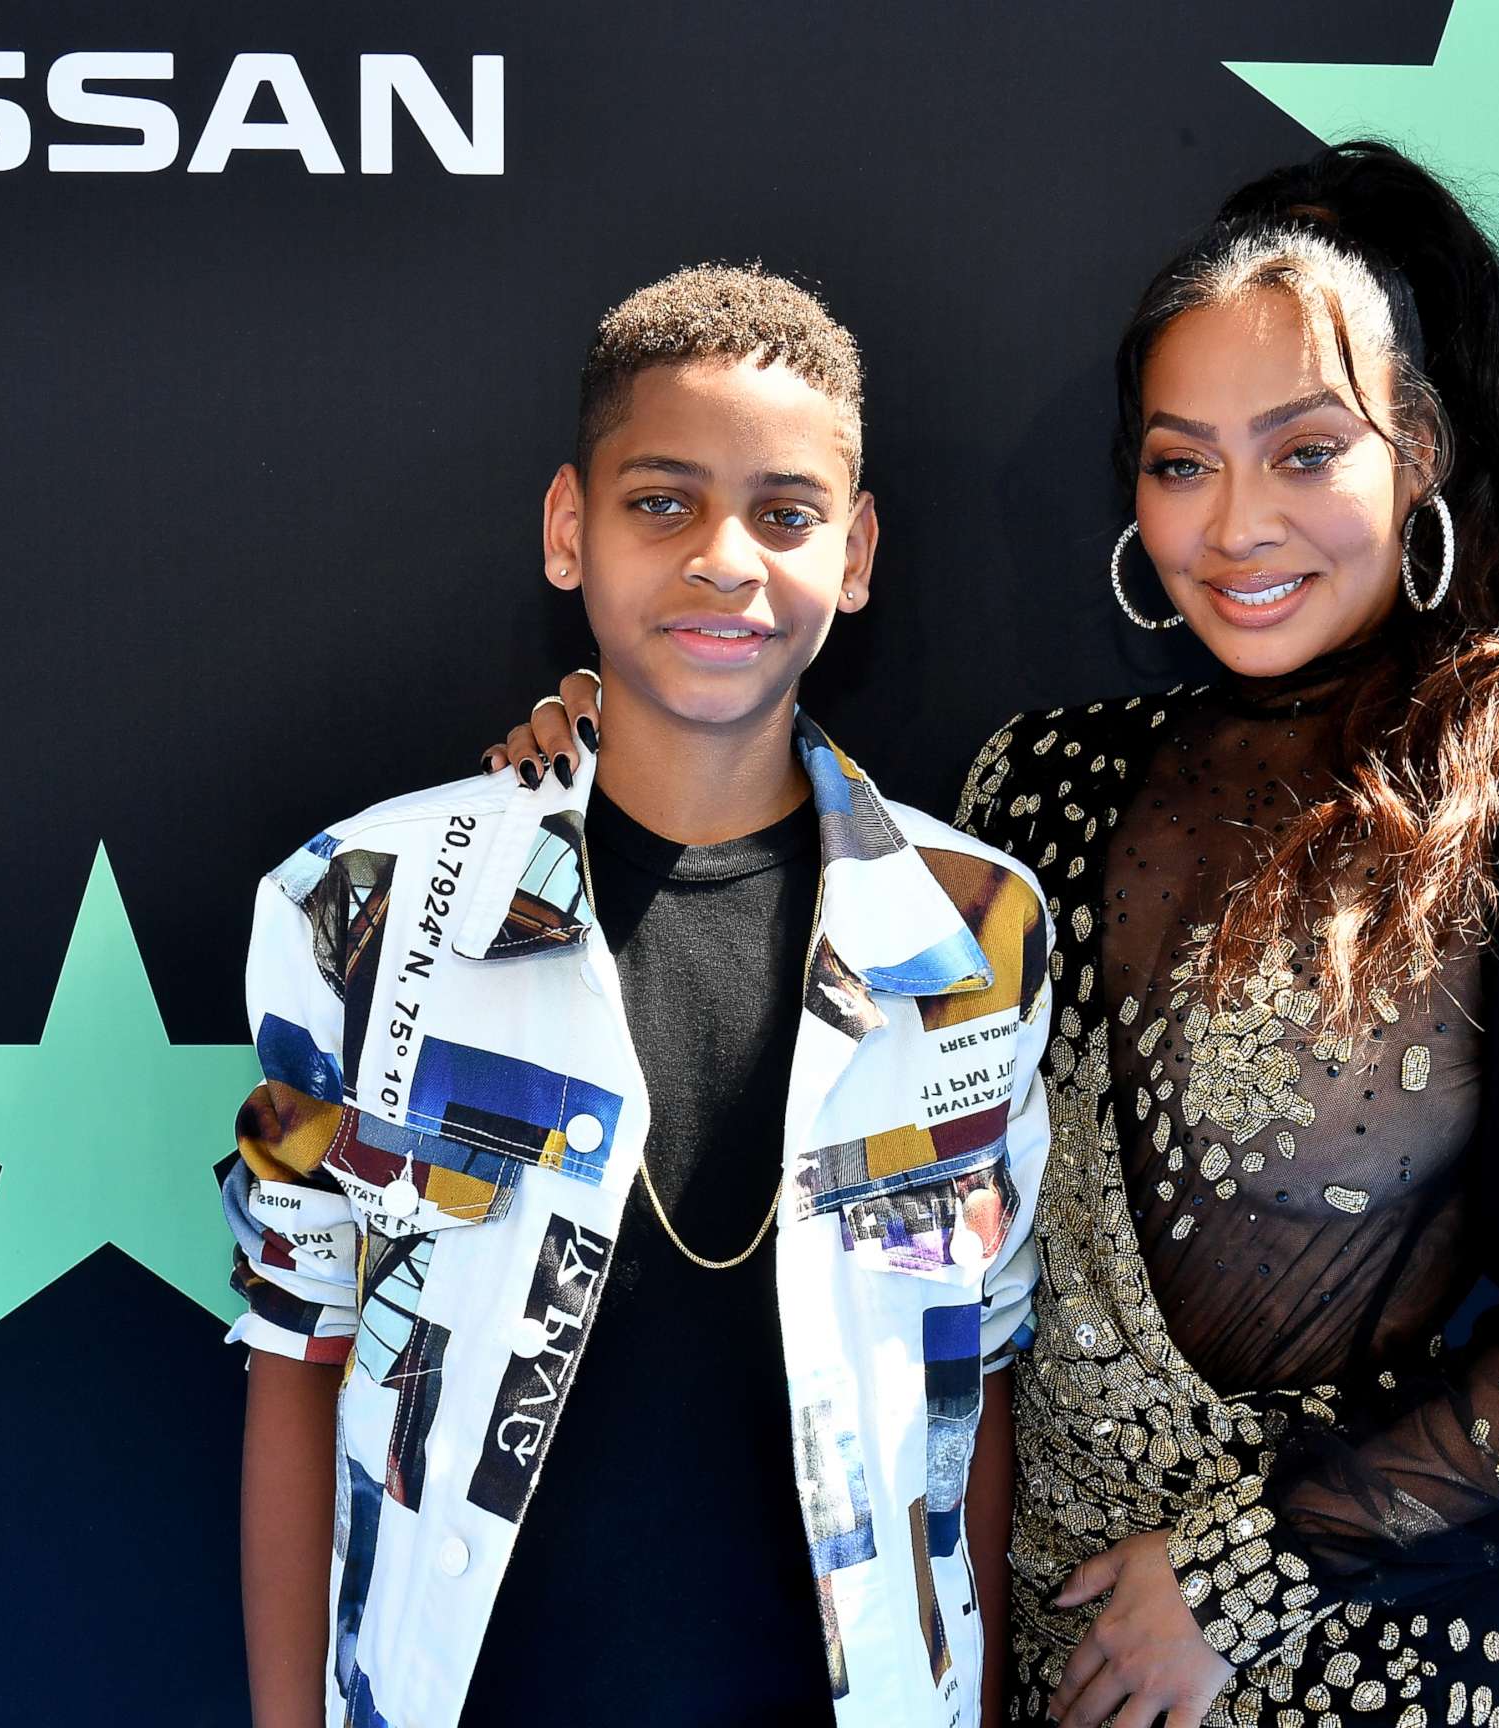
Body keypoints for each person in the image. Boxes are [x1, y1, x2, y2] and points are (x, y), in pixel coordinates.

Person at [495, 142, 1499, 1728]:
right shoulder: (1048, 783)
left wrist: (1227, 1585)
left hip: (1358, 1658)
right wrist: (628, 721)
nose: (1235, 527)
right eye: (1179, 463)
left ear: (1414, 453)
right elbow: (812, 890)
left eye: (1304, 453)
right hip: (1026, 1657)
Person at [228, 264, 1054, 1728]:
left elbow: (968, 1399)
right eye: (661, 501)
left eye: (785, 514)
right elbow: (300, 1363)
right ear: (570, 529)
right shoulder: (359, 905)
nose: (725, 559)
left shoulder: (971, 935)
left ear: (854, 555)